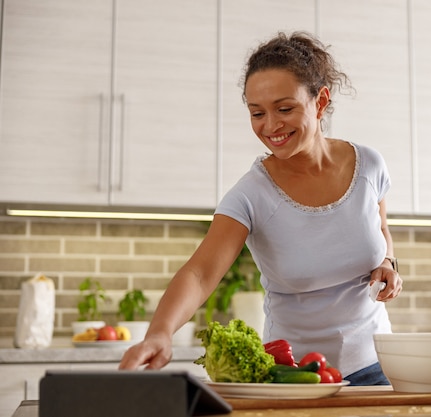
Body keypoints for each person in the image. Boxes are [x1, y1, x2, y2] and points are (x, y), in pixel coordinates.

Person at [119, 31, 403, 386]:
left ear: (320, 101)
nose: (270, 126)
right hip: (293, 377)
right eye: (257, 113)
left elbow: (382, 231)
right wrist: (160, 333)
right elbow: (200, 273)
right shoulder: (251, 194)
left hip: (378, 366)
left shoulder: (369, 166)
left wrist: (387, 263)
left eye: (285, 109)